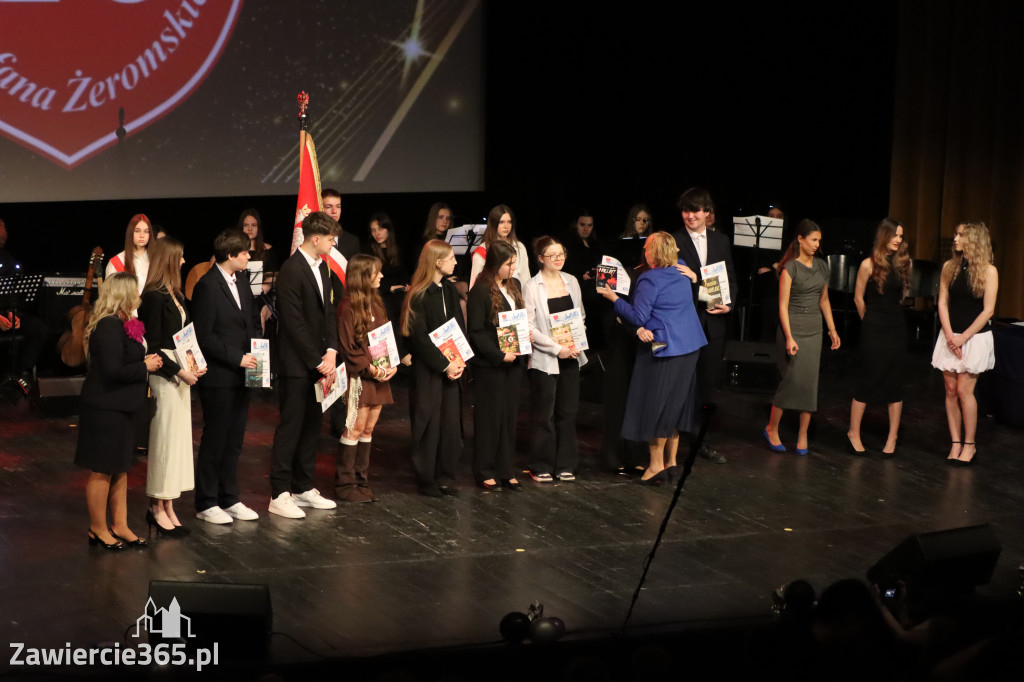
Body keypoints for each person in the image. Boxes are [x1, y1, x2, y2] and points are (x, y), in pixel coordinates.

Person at [597, 232, 707, 484]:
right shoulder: (681, 269)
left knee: (657, 406)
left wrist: (614, 298)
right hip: (690, 346)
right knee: (676, 405)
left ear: (653, 253)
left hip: (666, 349)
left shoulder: (649, 279)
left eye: (646, 248)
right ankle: (672, 463)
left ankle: (656, 465)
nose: (643, 251)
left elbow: (637, 317)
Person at [75, 272, 163, 550]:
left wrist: (143, 359)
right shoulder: (108, 326)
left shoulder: (126, 323)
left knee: (120, 467)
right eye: (134, 290)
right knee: (103, 469)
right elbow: (113, 370)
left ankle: (120, 525)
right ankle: (97, 528)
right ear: (123, 293)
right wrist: (144, 367)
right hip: (105, 408)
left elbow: (125, 358)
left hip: (123, 406)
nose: (138, 295)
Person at [269, 212, 340, 518]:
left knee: (312, 426)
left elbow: (328, 314)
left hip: (319, 363)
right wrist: (317, 360)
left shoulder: (322, 268)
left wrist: (332, 351)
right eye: (330, 238)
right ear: (315, 239)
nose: (333, 242)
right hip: (297, 365)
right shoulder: (291, 269)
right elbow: (294, 322)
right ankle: (280, 493)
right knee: (291, 427)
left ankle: (303, 486)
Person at [191, 229, 261, 524]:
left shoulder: (242, 281)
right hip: (220, 375)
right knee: (216, 437)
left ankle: (229, 497)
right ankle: (207, 501)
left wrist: (258, 350)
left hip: (244, 374)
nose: (249, 256)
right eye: (245, 252)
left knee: (234, 439)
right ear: (230, 255)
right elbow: (204, 336)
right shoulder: (207, 286)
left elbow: (251, 321)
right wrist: (237, 357)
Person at [138, 237, 204, 535]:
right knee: (164, 441)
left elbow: (184, 337)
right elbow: (154, 346)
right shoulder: (153, 296)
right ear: (168, 260)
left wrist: (195, 364)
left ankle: (169, 504)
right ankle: (156, 507)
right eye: (178, 258)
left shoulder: (174, 293)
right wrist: (180, 371)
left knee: (177, 442)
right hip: (165, 377)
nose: (183, 262)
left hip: (181, 376)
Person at [672, 188, 737, 465]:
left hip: (713, 323)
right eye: (686, 211)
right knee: (681, 384)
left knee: (706, 387)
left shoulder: (720, 240)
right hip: (685, 323)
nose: (690, 216)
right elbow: (673, 284)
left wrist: (729, 304)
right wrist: (697, 283)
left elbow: (730, 278)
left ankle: (701, 442)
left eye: (695, 211)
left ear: (706, 213)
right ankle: (672, 443)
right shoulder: (674, 240)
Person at [764, 220, 841, 454]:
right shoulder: (789, 268)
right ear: (800, 239)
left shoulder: (821, 266)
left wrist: (832, 330)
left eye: (819, 240)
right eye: (813, 239)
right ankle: (771, 428)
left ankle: (803, 434)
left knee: (809, 384)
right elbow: (783, 307)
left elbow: (824, 300)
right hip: (793, 329)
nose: (817, 244)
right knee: (790, 382)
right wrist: (789, 337)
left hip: (814, 331)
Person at [401, 240, 466, 497]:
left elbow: (458, 327)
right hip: (429, 368)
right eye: (451, 258)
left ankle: (446, 475)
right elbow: (419, 338)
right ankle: (426, 477)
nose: (455, 262)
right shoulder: (418, 294)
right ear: (438, 262)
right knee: (429, 422)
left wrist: (459, 361)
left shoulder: (449, 290)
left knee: (450, 424)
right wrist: (443, 364)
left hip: (453, 366)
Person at [932, 222, 997, 466]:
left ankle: (970, 445)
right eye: (956, 234)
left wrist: (963, 338)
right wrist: (950, 336)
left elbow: (988, 310)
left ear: (974, 240)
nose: (955, 239)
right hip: (950, 337)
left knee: (963, 390)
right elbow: (942, 303)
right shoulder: (950, 267)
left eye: (961, 235)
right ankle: (955, 442)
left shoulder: (989, 271)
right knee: (950, 391)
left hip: (974, 338)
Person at [335, 254, 399, 502]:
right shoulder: (347, 306)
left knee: (369, 428)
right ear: (364, 276)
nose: (381, 276)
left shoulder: (376, 302)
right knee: (355, 427)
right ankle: (344, 483)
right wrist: (370, 369)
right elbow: (348, 346)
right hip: (361, 377)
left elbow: (384, 337)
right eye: (377, 272)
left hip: (380, 375)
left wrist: (391, 364)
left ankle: (361, 481)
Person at [522, 236, 586, 482]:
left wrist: (577, 342)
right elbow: (528, 327)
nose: (558, 259)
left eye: (561, 254)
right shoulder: (531, 286)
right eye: (552, 255)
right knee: (544, 414)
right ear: (540, 259)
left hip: (572, 354)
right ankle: (541, 464)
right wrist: (555, 347)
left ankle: (566, 463)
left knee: (568, 412)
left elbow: (580, 315)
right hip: (546, 358)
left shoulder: (571, 281)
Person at [847, 218, 912, 457]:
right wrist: (870, 320)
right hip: (873, 327)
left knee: (895, 382)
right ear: (884, 235)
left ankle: (892, 436)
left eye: (901, 236)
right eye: (894, 234)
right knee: (868, 379)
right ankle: (853, 433)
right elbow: (858, 298)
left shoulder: (906, 264)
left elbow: (902, 296)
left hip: (896, 327)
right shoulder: (868, 264)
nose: (898, 239)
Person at [467, 240, 525, 491]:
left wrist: (524, 339)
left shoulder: (514, 286)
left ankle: (506, 469)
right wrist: (499, 355)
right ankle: (485, 470)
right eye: (508, 264)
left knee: (508, 418)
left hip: (513, 363)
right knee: (489, 418)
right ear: (495, 264)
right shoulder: (480, 290)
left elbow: (518, 320)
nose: (513, 268)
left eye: (514, 263)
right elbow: (477, 332)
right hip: (491, 364)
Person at [363, 213, 410, 357]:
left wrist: (407, 285)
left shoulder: (398, 248)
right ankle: (397, 355)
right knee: (388, 311)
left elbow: (404, 272)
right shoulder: (368, 250)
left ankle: (404, 353)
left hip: (399, 292)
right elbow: (367, 279)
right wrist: (388, 288)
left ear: (388, 229)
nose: (377, 233)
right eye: (373, 230)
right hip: (379, 293)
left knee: (406, 309)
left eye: (380, 229)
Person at [469, 205, 530, 288]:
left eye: (509, 222)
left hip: (516, 294)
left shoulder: (519, 247)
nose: (506, 226)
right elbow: (474, 284)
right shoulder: (483, 250)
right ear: (493, 224)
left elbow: (525, 278)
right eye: (501, 222)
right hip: (492, 295)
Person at [106, 214, 152, 294]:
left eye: (146, 231)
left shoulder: (156, 260)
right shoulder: (117, 261)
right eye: (137, 231)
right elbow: (109, 295)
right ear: (130, 233)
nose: (142, 235)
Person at [238, 208, 278, 293]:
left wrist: (257, 292)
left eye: (254, 225)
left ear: (258, 227)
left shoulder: (267, 250)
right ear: (241, 227)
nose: (250, 229)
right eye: (246, 225)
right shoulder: (234, 250)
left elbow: (271, 278)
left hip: (261, 294)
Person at [321, 188, 360, 263]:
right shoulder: (311, 238)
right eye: (328, 207)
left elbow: (356, 271)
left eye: (338, 206)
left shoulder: (352, 241)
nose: (334, 211)